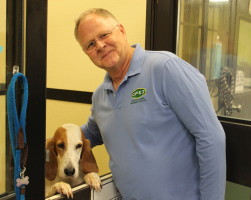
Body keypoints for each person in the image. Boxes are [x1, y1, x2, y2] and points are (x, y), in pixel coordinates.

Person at [75, 8, 226, 200]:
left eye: (104, 35)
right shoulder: (100, 96)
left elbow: (211, 138)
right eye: (90, 44)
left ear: (121, 30)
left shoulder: (165, 68)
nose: (100, 45)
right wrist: (48, 144)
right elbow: (87, 135)